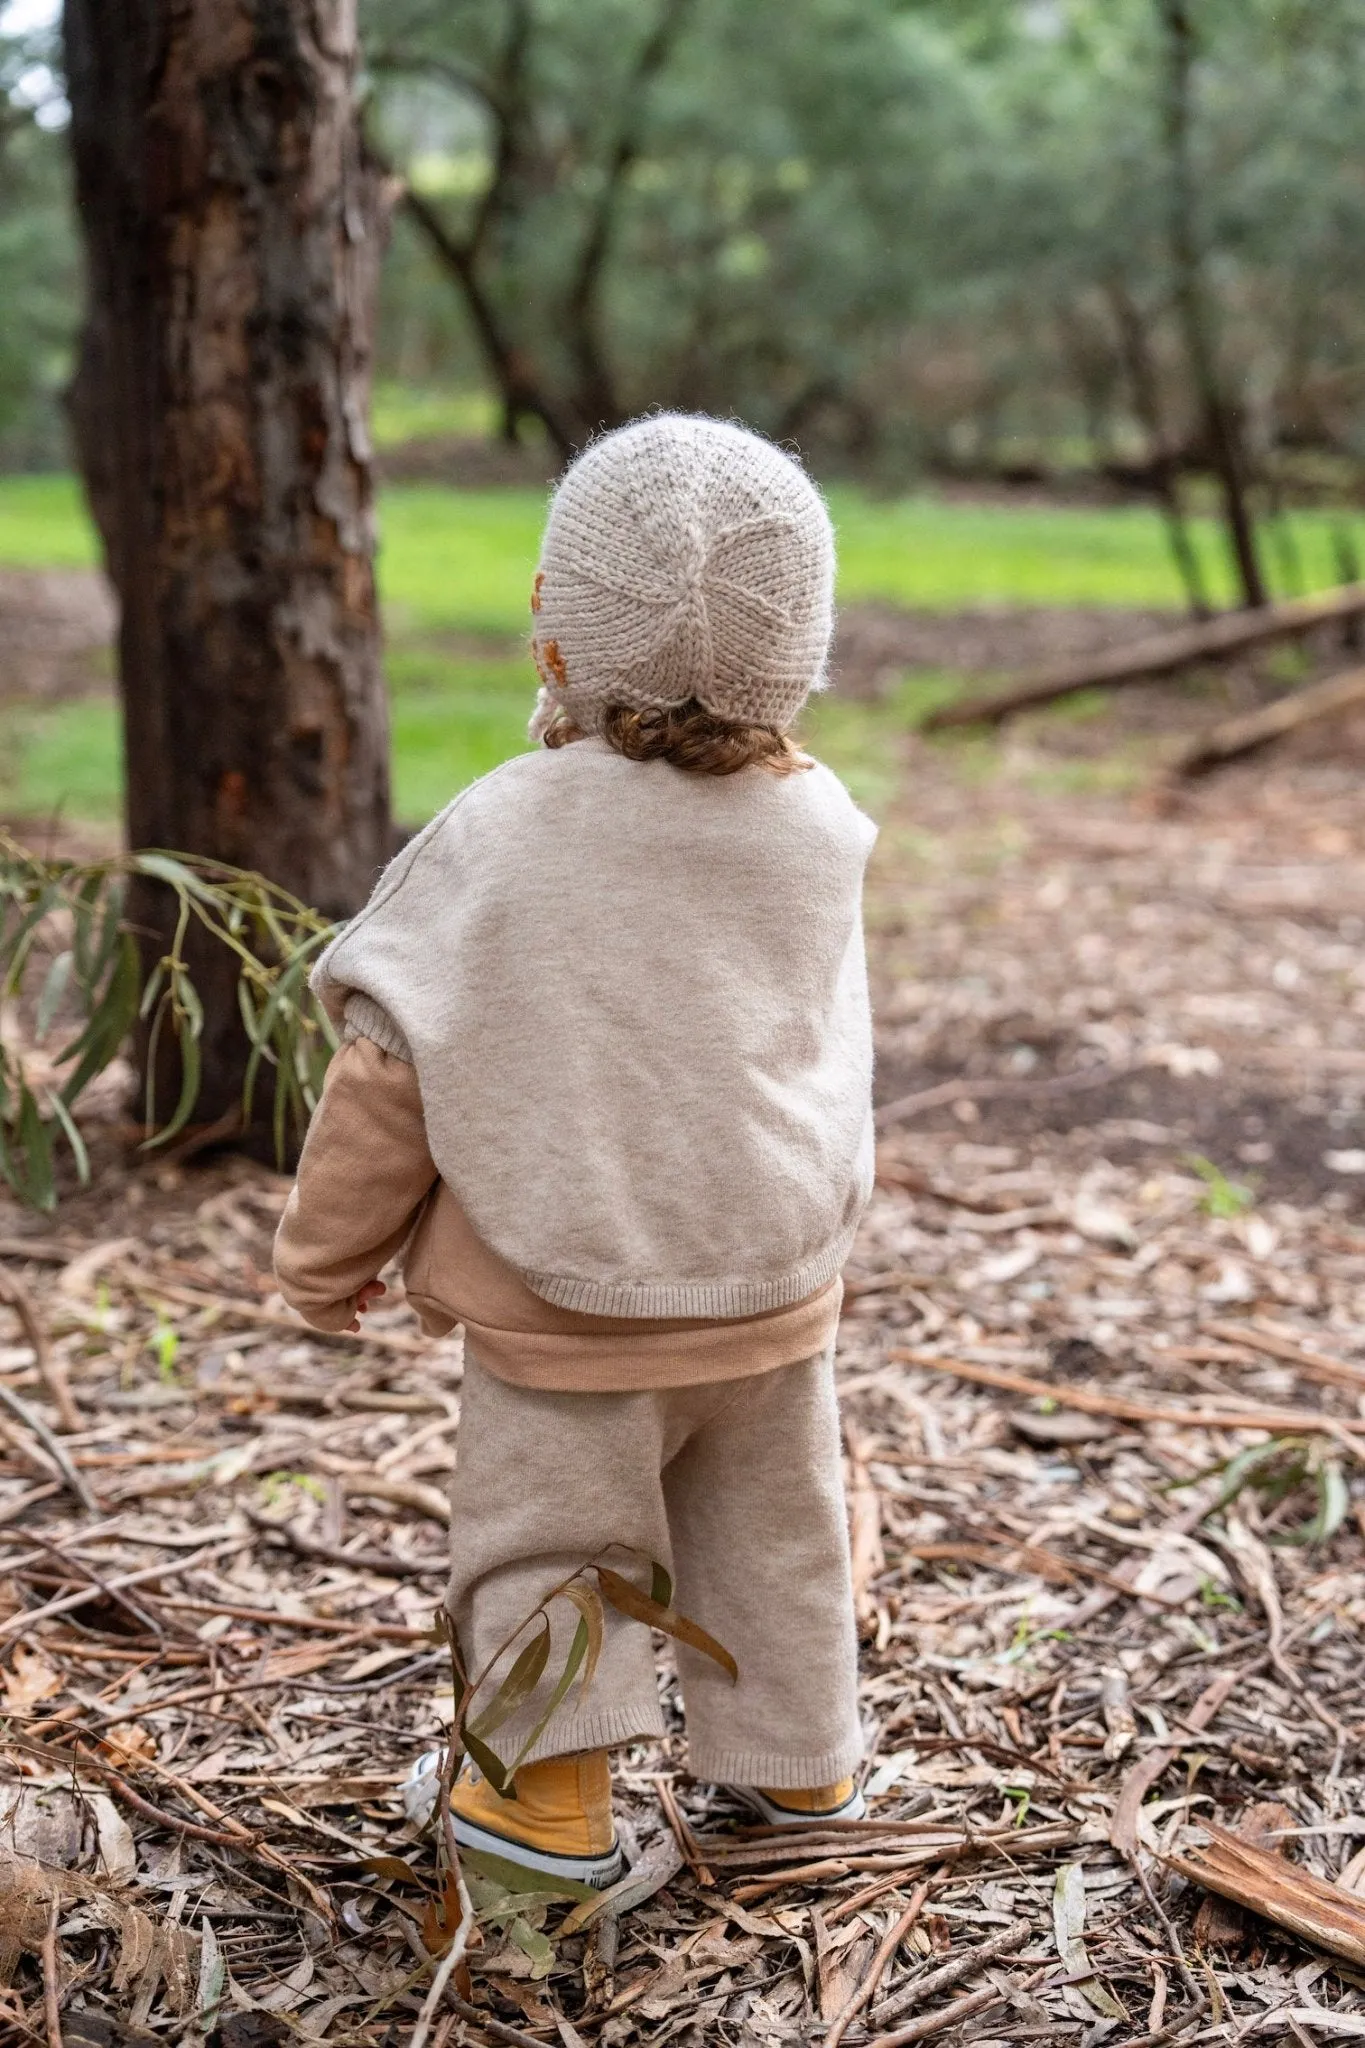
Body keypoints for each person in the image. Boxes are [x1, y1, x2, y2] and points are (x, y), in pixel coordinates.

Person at [274, 412, 878, 1889]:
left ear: (554, 632)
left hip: (569, 1306)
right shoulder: (816, 825)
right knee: (777, 1533)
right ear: (798, 649)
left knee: (552, 1554)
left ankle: (544, 1822)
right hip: (769, 1285)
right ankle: (799, 1773)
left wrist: (323, 1259)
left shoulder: (505, 834)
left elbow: (388, 1073)